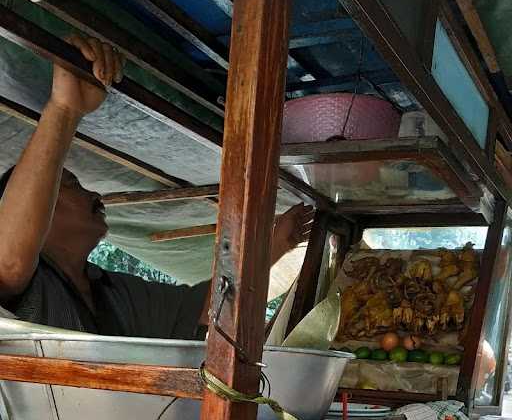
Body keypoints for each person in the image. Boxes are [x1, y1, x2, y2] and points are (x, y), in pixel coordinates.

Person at [0, 35, 313, 337]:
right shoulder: (23, 285)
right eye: (71, 184)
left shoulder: (112, 290)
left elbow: (207, 309)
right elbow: (9, 261)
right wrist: (64, 109)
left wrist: (274, 246)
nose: (95, 194)